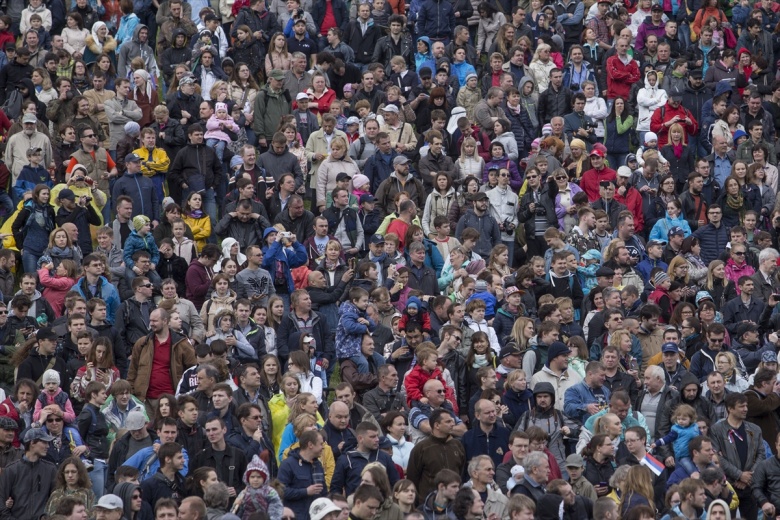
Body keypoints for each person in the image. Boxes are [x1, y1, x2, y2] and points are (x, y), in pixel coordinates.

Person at [0, 427, 57, 520]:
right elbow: (1, 503)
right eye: (44, 442)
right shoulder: (11, 470)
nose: (48, 446)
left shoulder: (50, 469)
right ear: (32, 443)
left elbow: (56, 500)